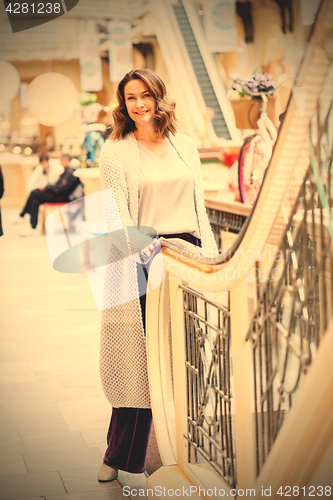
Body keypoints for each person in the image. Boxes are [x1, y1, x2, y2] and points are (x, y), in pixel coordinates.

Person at [97, 68, 218, 482]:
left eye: (145, 95)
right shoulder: (115, 150)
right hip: (142, 260)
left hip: (189, 259)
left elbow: (199, 207)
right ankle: (119, 455)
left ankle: (180, 450)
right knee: (141, 366)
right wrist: (144, 249)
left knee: (185, 359)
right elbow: (114, 214)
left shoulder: (184, 144)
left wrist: (211, 256)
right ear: (123, 103)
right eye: (130, 97)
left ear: (159, 97)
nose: (139, 104)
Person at [19, 153, 81, 232]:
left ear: (65, 160)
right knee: (35, 201)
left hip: (60, 197)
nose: (60, 162)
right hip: (56, 194)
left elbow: (60, 189)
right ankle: (32, 226)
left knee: (35, 193)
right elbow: (58, 186)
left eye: (61, 160)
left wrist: (46, 188)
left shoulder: (69, 172)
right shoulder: (66, 171)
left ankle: (22, 214)